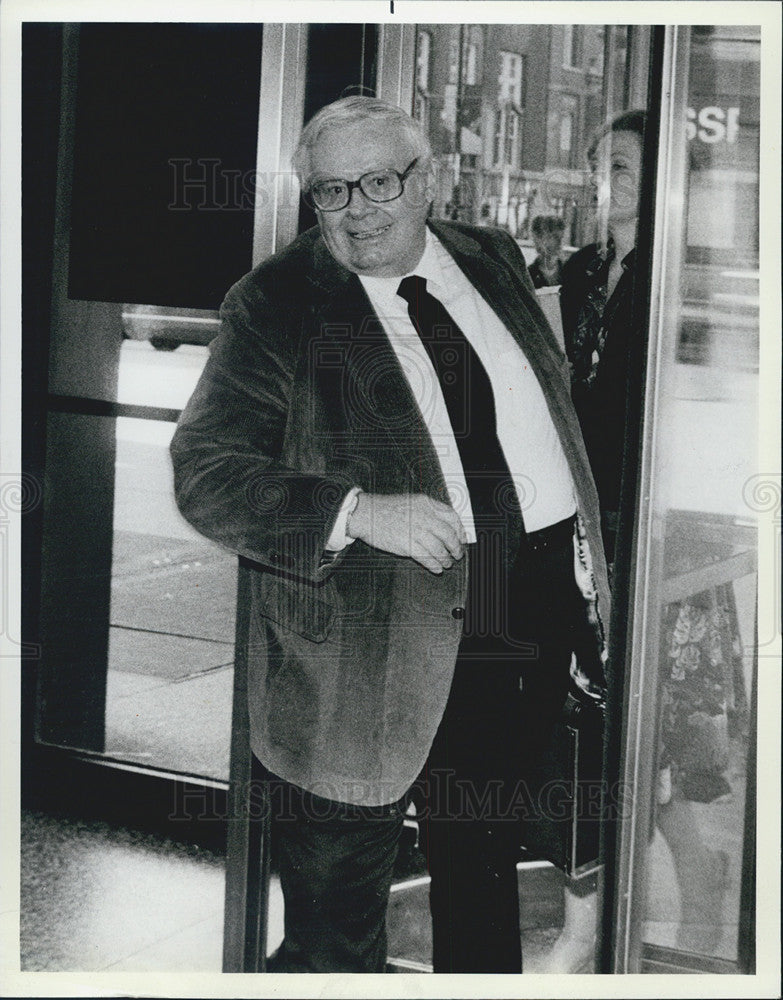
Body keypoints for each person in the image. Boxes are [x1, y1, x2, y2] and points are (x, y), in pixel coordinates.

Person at [170, 95, 610, 974]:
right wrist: (356, 511)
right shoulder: (277, 302)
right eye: (330, 192)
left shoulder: (488, 258)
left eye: (378, 182)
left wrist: (584, 570)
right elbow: (206, 470)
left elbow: (545, 412)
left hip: (518, 617)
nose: (356, 209)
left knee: (481, 868)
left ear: (430, 178)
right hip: (358, 652)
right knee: (337, 915)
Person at [545, 109, 737, 971]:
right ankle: (616, 904)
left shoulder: (682, 280)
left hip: (658, 539)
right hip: (587, 531)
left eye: (621, 165)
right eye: (596, 163)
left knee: (644, 732)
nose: (602, 178)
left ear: (663, 181)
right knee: (596, 730)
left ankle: (671, 885)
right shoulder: (582, 270)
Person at [528, 215, 567, 289]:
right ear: (539, 239)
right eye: (554, 237)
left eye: (561, 237)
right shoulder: (528, 275)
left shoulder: (570, 271)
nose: (559, 242)